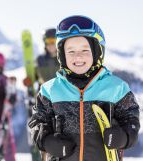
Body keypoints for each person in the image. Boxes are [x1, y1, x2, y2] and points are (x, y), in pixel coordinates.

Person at [28, 15, 140, 161]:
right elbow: (37, 123)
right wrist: (48, 141)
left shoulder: (116, 88)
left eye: (85, 51)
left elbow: (131, 120)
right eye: (71, 51)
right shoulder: (50, 91)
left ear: (97, 52)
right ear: (62, 55)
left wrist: (123, 137)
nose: (78, 57)